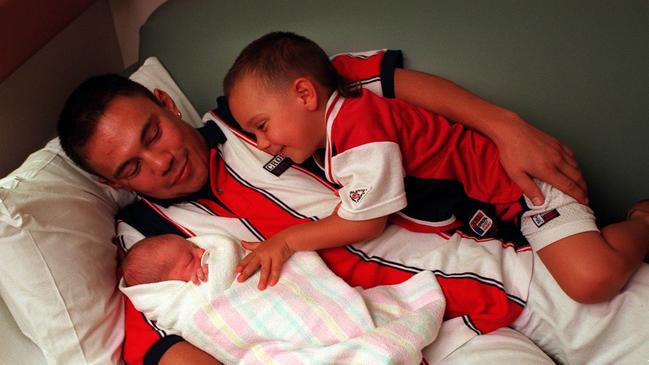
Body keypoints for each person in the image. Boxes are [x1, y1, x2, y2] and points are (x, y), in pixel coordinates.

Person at [57, 49, 591, 365]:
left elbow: (364, 79)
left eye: (153, 132)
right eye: (131, 168)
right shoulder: (143, 242)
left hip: (503, 267)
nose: (162, 161)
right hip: (399, 342)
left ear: (167, 104)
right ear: (110, 182)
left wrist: (506, 126)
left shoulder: (255, 114)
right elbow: (160, 345)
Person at [223, 32, 649, 303]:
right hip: (494, 217)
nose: (263, 144)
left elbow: (364, 222)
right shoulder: (333, 133)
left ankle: (642, 218)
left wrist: (287, 241)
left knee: (592, 281)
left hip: (522, 191)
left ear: (305, 94)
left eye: (262, 127)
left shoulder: (357, 125)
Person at [120, 233, 448, 365]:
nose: (201, 251)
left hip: (302, 305)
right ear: (169, 287)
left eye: (195, 247)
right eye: (190, 258)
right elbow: (218, 286)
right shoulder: (189, 308)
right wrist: (217, 256)